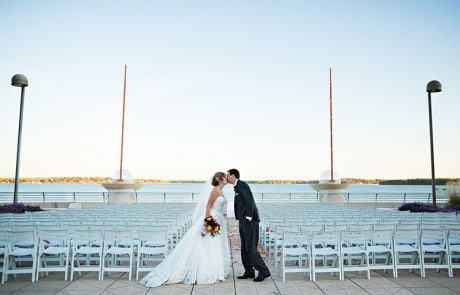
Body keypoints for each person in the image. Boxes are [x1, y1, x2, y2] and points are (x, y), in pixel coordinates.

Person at [140, 172, 231, 287]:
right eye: (224, 176)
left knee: (215, 244)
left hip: (219, 219)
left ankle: (218, 270)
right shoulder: (215, 191)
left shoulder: (221, 191)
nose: (226, 178)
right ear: (219, 179)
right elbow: (208, 207)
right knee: (207, 244)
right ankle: (205, 270)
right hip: (212, 219)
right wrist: (208, 222)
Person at [226, 168, 270, 282]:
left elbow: (249, 201)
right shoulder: (237, 186)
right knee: (245, 248)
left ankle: (263, 270)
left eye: (228, 175)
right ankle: (249, 271)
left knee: (250, 247)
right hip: (242, 220)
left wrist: (248, 217)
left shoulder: (242, 185)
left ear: (233, 175)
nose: (226, 177)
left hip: (249, 221)